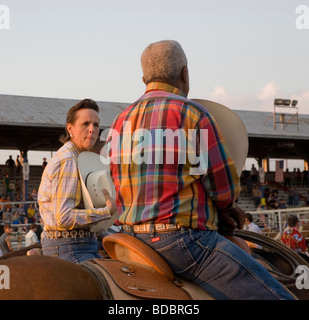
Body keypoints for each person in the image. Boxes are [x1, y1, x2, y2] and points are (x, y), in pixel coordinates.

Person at [106, 40, 294, 300]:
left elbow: (111, 184)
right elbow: (224, 189)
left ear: (143, 78)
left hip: (129, 239)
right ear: (185, 74)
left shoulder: (119, 121)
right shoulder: (193, 114)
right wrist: (227, 208)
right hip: (183, 243)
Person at [38, 98, 117, 264]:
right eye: (86, 124)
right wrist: (106, 212)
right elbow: (64, 218)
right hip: (70, 247)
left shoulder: (76, 158)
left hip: (77, 243)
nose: (92, 130)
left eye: (96, 125)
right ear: (70, 129)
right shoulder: (68, 160)